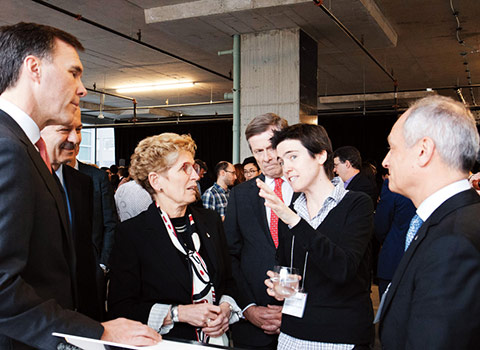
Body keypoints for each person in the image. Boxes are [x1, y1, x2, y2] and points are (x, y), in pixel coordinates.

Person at [0, 22, 160, 349]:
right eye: (74, 73)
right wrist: (96, 332)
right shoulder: (8, 147)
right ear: (34, 68)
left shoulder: (22, 147)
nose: (83, 88)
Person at [108, 133, 241, 346]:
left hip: (217, 342)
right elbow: (121, 308)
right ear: (156, 181)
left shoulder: (210, 221)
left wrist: (226, 309)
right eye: (184, 168)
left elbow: (229, 282)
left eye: (194, 168)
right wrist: (179, 313)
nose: (196, 176)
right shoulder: (133, 234)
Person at [378, 95, 480, 349]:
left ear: (423, 151)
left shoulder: (453, 241)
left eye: (393, 148)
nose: (385, 161)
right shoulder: (450, 219)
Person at [261, 123, 374, 350]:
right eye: (282, 161)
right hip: (292, 333)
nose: (286, 168)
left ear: (321, 155)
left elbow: (343, 268)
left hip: (340, 336)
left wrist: (293, 221)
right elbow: (286, 264)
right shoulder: (291, 209)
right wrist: (279, 284)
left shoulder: (356, 204)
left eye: (293, 157)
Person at [224, 113, 293, 350]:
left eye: (271, 148)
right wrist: (248, 307)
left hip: (303, 323)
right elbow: (230, 256)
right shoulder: (240, 195)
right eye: (258, 151)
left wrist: (293, 309)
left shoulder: (307, 190)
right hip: (252, 323)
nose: (266, 158)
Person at [41, 110, 102, 320]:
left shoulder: (81, 183)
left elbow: (84, 248)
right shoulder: (24, 179)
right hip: (40, 312)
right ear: (39, 130)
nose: (75, 139)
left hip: (81, 309)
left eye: (79, 130)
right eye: (66, 129)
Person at [374, 178, 416, 297]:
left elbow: (381, 224)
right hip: (424, 262)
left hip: (394, 258)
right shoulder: (435, 181)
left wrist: (388, 241)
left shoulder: (394, 183)